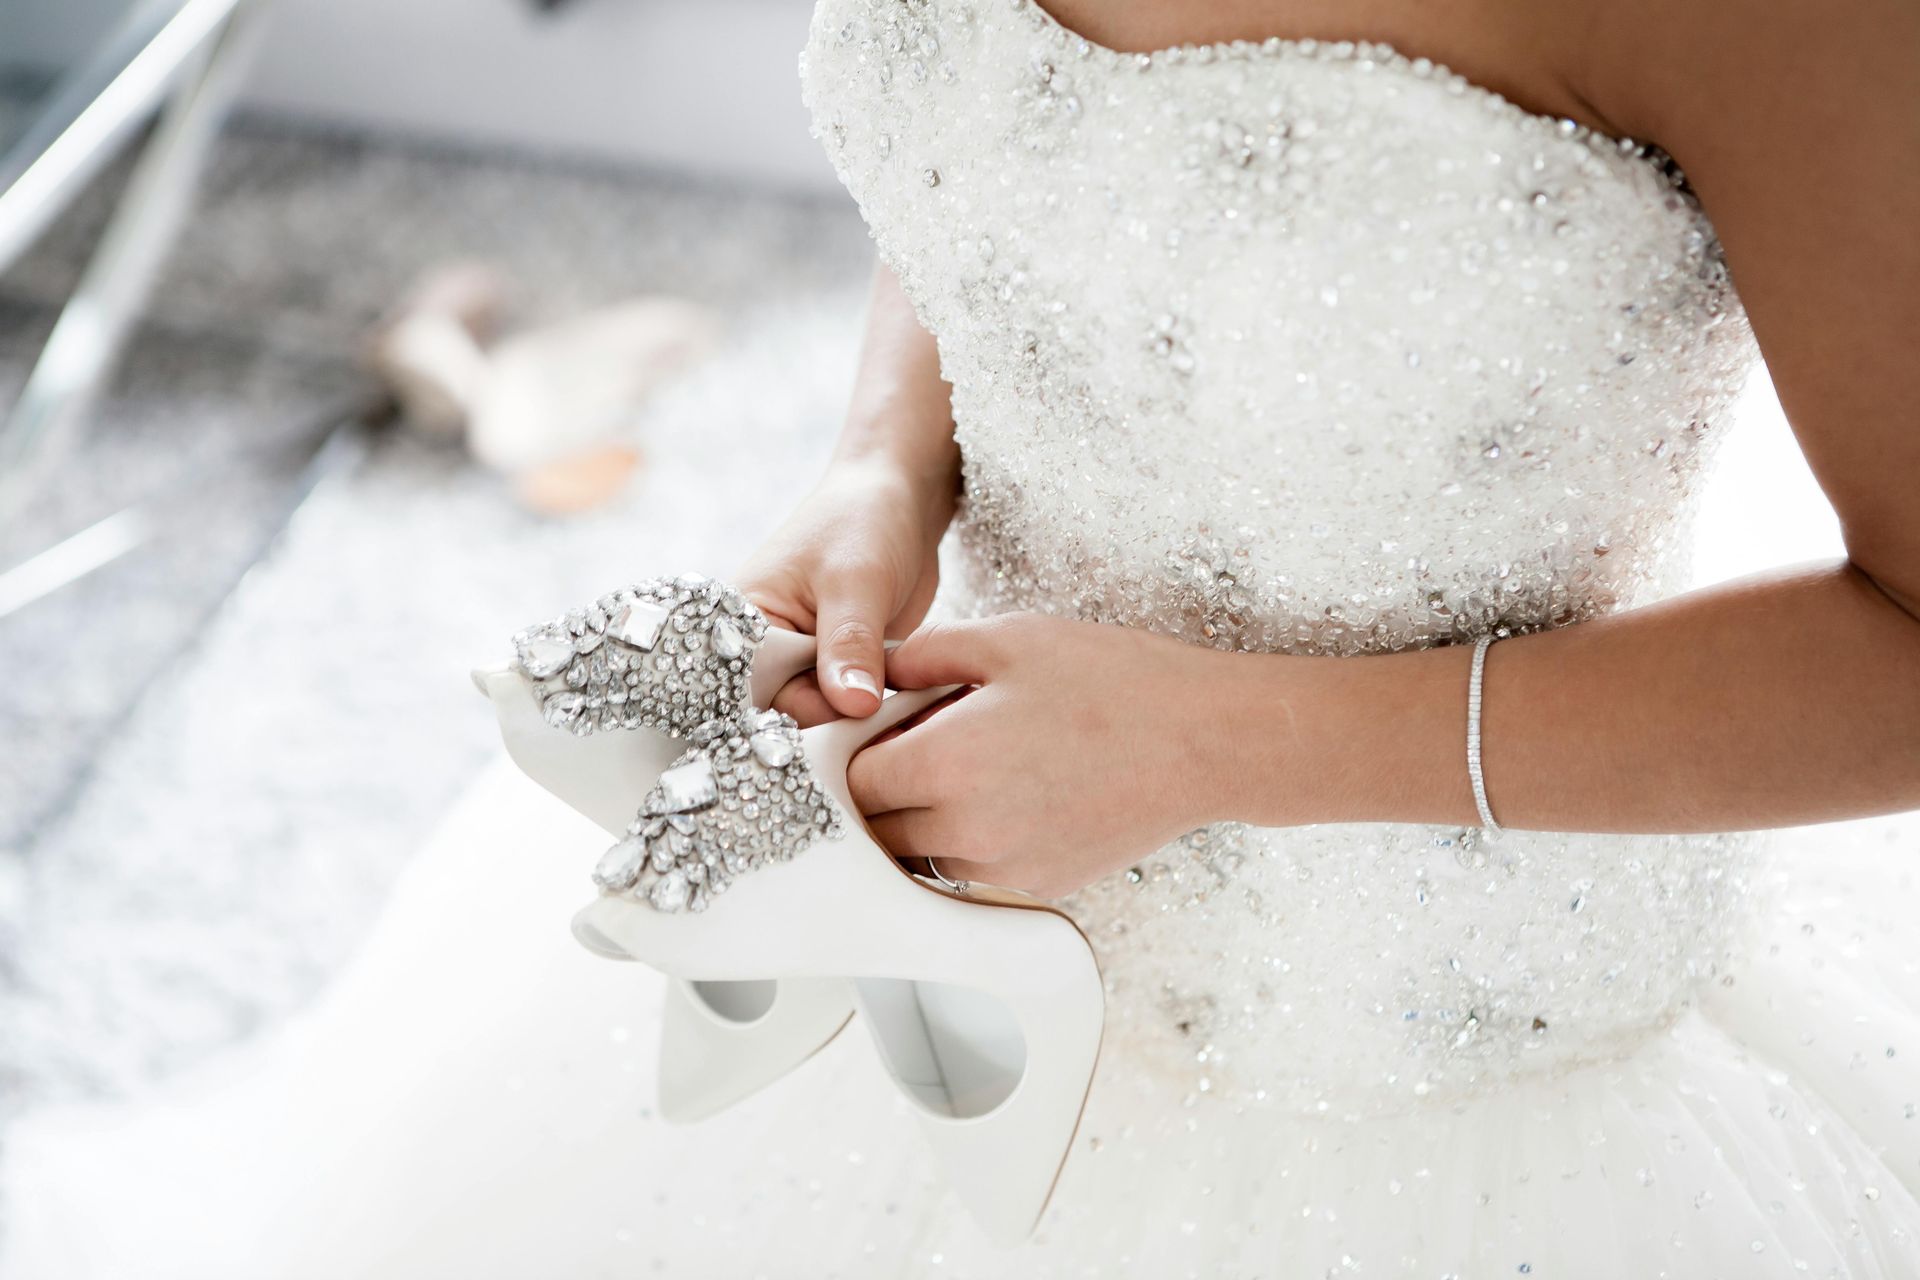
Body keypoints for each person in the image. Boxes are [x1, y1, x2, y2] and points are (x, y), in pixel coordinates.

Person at [4, 0, 1916, 1274]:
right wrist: (880, 464)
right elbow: (1016, 149)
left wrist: (1225, 744)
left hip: (1435, 1042)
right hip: (905, 871)